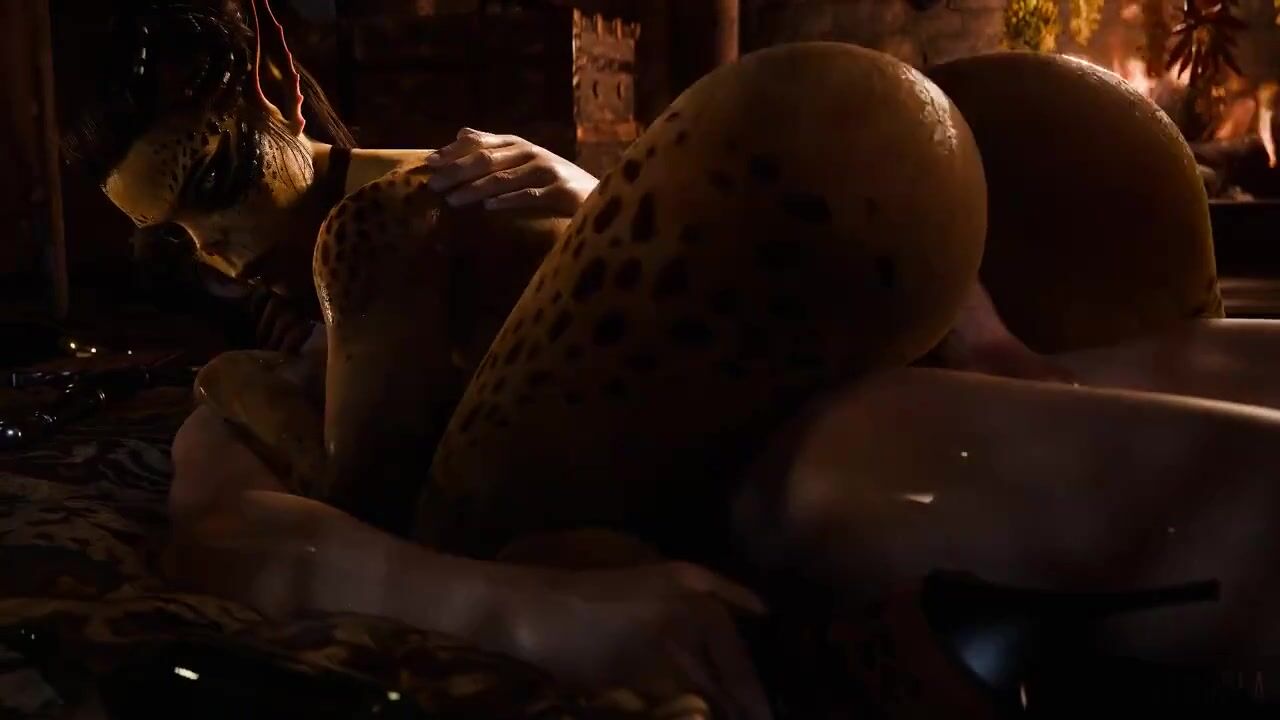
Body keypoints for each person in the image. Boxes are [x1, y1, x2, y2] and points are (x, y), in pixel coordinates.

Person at [59, 1, 1280, 717]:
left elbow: (817, 199)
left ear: (275, 83)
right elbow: (228, 530)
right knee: (1145, 488)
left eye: (218, 186)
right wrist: (526, 611)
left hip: (845, 343)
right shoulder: (269, 374)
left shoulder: (499, 173)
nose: (221, 253)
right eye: (176, 241)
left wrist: (593, 194)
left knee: (1190, 360)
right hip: (785, 465)